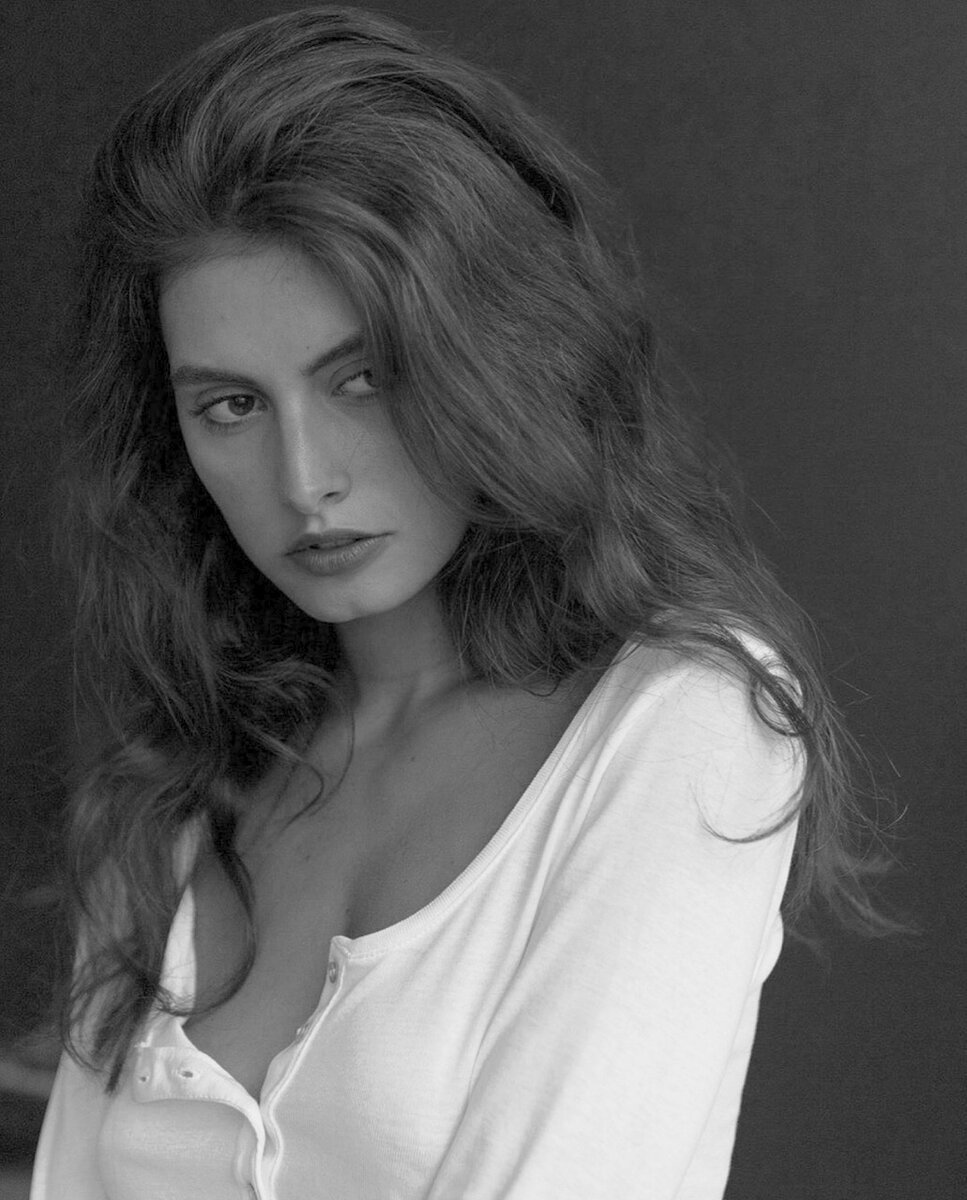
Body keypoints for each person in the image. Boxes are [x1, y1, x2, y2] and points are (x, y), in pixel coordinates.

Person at [30, 7, 884, 1198]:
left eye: (363, 377)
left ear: (490, 357)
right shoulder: (176, 777)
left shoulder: (676, 726)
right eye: (230, 405)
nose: (304, 479)